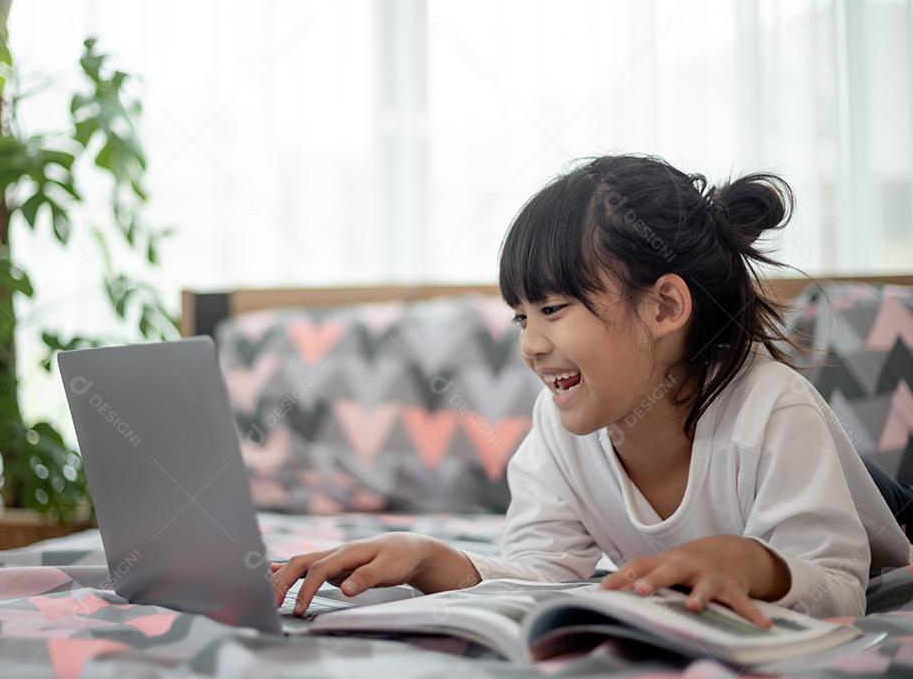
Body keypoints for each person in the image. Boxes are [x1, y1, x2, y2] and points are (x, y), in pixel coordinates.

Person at [269, 154, 913, 627]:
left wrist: (752, 564)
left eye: (553, 309)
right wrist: (425, 557)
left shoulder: (772, 410)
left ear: (664, 306)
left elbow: (837, 585)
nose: (530, 345)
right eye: (521, 318)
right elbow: (539, 571)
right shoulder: (560, 426)